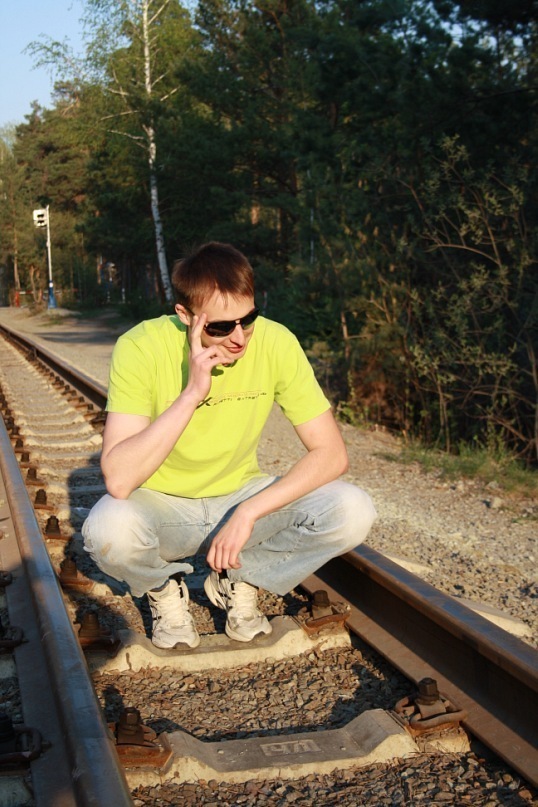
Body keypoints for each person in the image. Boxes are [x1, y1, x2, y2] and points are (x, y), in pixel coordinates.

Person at [82, 242, 376, 649]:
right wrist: (192, 393)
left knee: (353, 509)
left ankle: (239, 578)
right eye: (220, 327)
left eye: (248, 319)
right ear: (185, 316)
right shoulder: (141, 346)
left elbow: (332, 454)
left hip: (238, 497)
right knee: (107, 529)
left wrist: (249, 511)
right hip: (163, 507)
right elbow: (118, 479)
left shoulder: (276, 342)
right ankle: (164, 588)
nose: (239, 338)